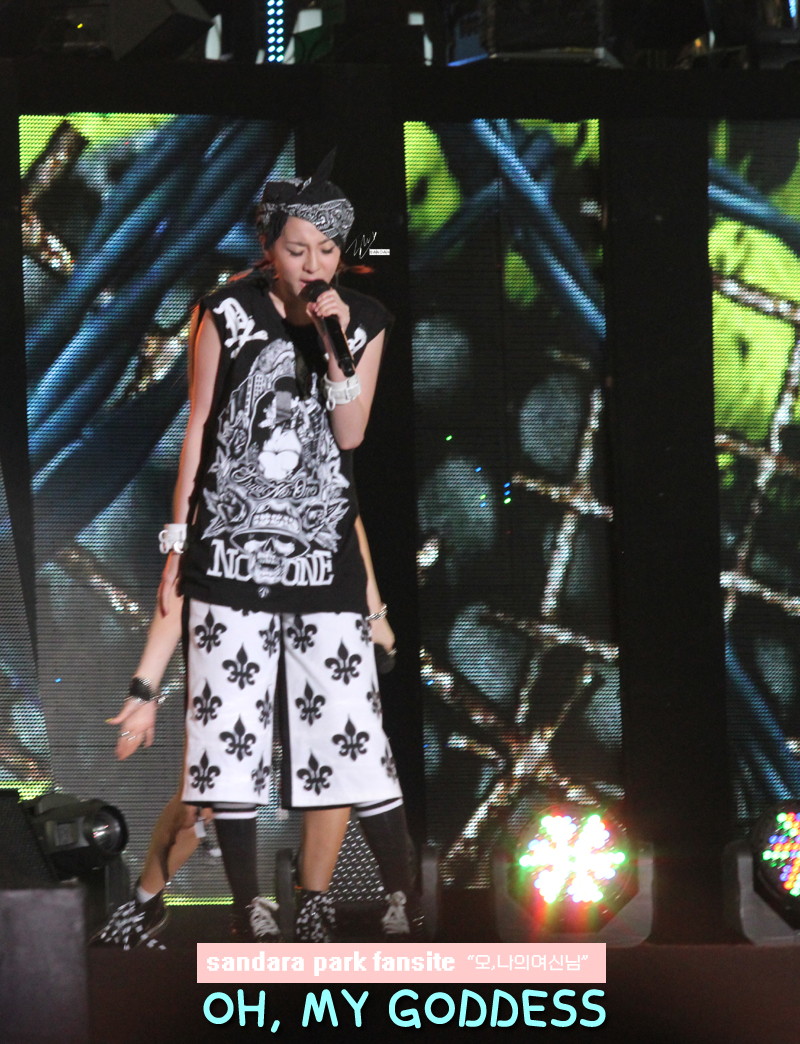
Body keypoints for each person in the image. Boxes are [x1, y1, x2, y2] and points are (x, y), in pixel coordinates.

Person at [103, 155, 414, 944]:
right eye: (297, 249)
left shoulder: (364, 321)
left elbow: (349, 441)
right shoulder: (226, 313)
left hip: (320, 565)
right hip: (230, 559)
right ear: (269, 247)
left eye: (327, 251)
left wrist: (337, 349)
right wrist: (178, 537)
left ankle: (339, 902)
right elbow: (200, 427)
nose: (312, 265)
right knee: (220, 759)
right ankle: (202, 904)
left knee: (343, 744)